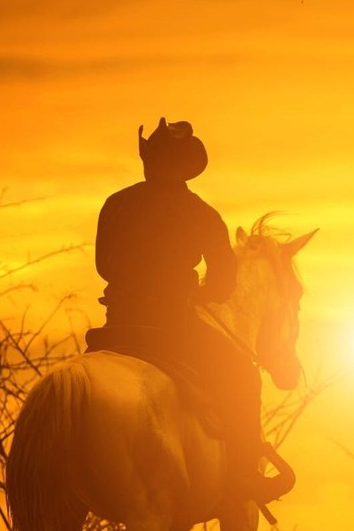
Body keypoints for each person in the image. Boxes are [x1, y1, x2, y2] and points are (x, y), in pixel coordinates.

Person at [92, 118, 265, 492]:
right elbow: (223, 281)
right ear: (186, 166)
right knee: (242, 375)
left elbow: (103, 265)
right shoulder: (201, 213)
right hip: (174, 327)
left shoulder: (116, 204)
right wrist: (203, 293)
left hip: (117, 324)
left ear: (149, 160)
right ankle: (246, 476)